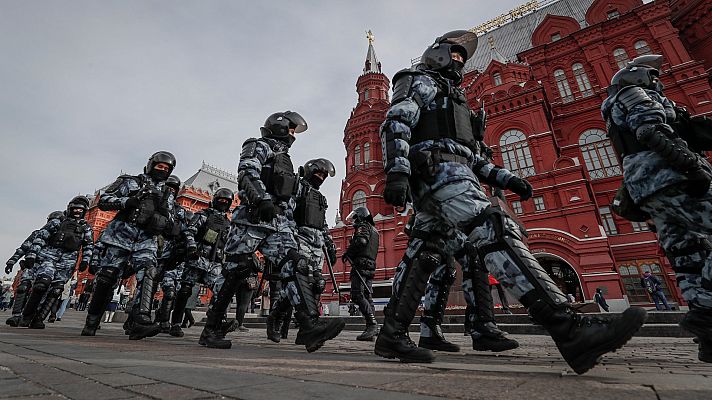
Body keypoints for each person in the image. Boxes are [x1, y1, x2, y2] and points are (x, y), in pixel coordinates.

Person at [375, 30, 646, 374]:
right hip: (437, 172)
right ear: (438, 55)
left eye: (463, 57)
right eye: (454, 54)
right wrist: (397, 171)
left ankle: (392, 335)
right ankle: (568, 328)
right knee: (492, 228)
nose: (459, 61)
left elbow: (472, 156)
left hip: (451, 172)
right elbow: (396, 121)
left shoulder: (455, 99)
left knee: (425, 256)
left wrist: (507, 178)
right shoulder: (419, 81)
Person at [601, 54, 712, 362]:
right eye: (652, 77)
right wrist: (690, 164)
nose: (657, 81)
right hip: (670, 177)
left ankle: (707, 331)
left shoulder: (613, 106)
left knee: (688, 256)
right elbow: (650, 130)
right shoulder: (635, 95)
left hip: (645, 190)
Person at [215, 111, 344, 352]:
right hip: (252, 220)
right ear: (281, 127)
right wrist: (261, 199)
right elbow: (247, 173)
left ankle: (309, 326)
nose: (294, 136)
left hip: (278, 225)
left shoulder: (286, 161)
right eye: (292, 130)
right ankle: (212, 328)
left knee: (296, 264)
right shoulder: (258, 146)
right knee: (237, 270)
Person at [81, 151, 177, 339]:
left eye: (166, 169)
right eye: (160, 166)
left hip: (146, 240)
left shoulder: (168, 193)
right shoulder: (131, 182)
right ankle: (92, 321)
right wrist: (128, 201)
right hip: (120, 236)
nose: (162, 170)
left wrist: (165, 222)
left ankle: (141, 320)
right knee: (107, 278)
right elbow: (104, 201)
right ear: (151, 165)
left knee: (149, 272)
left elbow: (172, 220)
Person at [267, 158, 337, 343]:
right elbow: (286, 213)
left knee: (316, 285)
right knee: (299, 282)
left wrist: (330, 244)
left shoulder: (321, 197)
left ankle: (304, 328)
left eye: (324, 175)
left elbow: (323, 223)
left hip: (317, 243)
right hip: (300, 238)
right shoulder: (299, 187)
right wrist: (290, 239)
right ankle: (277, 317)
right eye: (318, 173)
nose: (321, 177)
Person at [19, 196, 93, 329]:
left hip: (68, 261)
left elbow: (88, 245)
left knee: (56, 290)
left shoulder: (85, 227)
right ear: (70, 208)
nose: (77, 212)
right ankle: (26, 316)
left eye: (80, 210)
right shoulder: (58, 222)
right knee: (41, 285)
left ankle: (39, 318)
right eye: (75, 208)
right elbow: (41, 237)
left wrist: (85, 261)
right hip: (49, 256)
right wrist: (32, 254)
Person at [170, 188, 234, 338]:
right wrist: (192, 247)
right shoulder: (203, 215)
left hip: (216, 262)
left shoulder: (228, 223)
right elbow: (189, 231)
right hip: (198, 258)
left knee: (222, 292)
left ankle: (218, 322)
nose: (223, 203)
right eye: (221, 200)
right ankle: (176, 323)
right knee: (185, 289)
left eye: (227, 201)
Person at [5, 211, 65, 326]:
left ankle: (35, 317)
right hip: (33, 264)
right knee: (23, 287)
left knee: (42, 289)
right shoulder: (38, 233)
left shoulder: (61, 238)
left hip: (48, 267)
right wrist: (12, 261)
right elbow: (24, 247)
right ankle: (16, 315)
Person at [342, 207, 380, 341]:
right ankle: (371, 329)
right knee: (367, 296)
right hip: (371, 265)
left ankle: (372, 324)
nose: (354, 220)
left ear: (361, 217)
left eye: (355, 217)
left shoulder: (363, 226)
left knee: (357, 294)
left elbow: (361, 241)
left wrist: (348, 252)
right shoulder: (375, 230)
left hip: (360, 264)